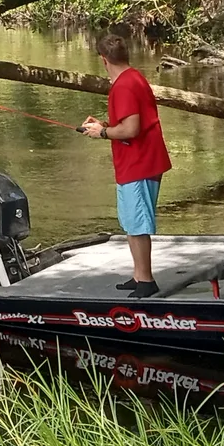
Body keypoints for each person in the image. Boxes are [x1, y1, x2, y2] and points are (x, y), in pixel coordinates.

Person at [79, 33, 173, 297]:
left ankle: (146, 281)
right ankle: (138, 275)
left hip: (139, 163)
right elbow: (131, 123)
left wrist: (103, 133)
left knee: (137, 223)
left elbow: (131, 129)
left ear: (104, 60)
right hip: (141, 160)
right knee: (132, 220)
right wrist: (105, 126)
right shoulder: (135, 78)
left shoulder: (123, 86)